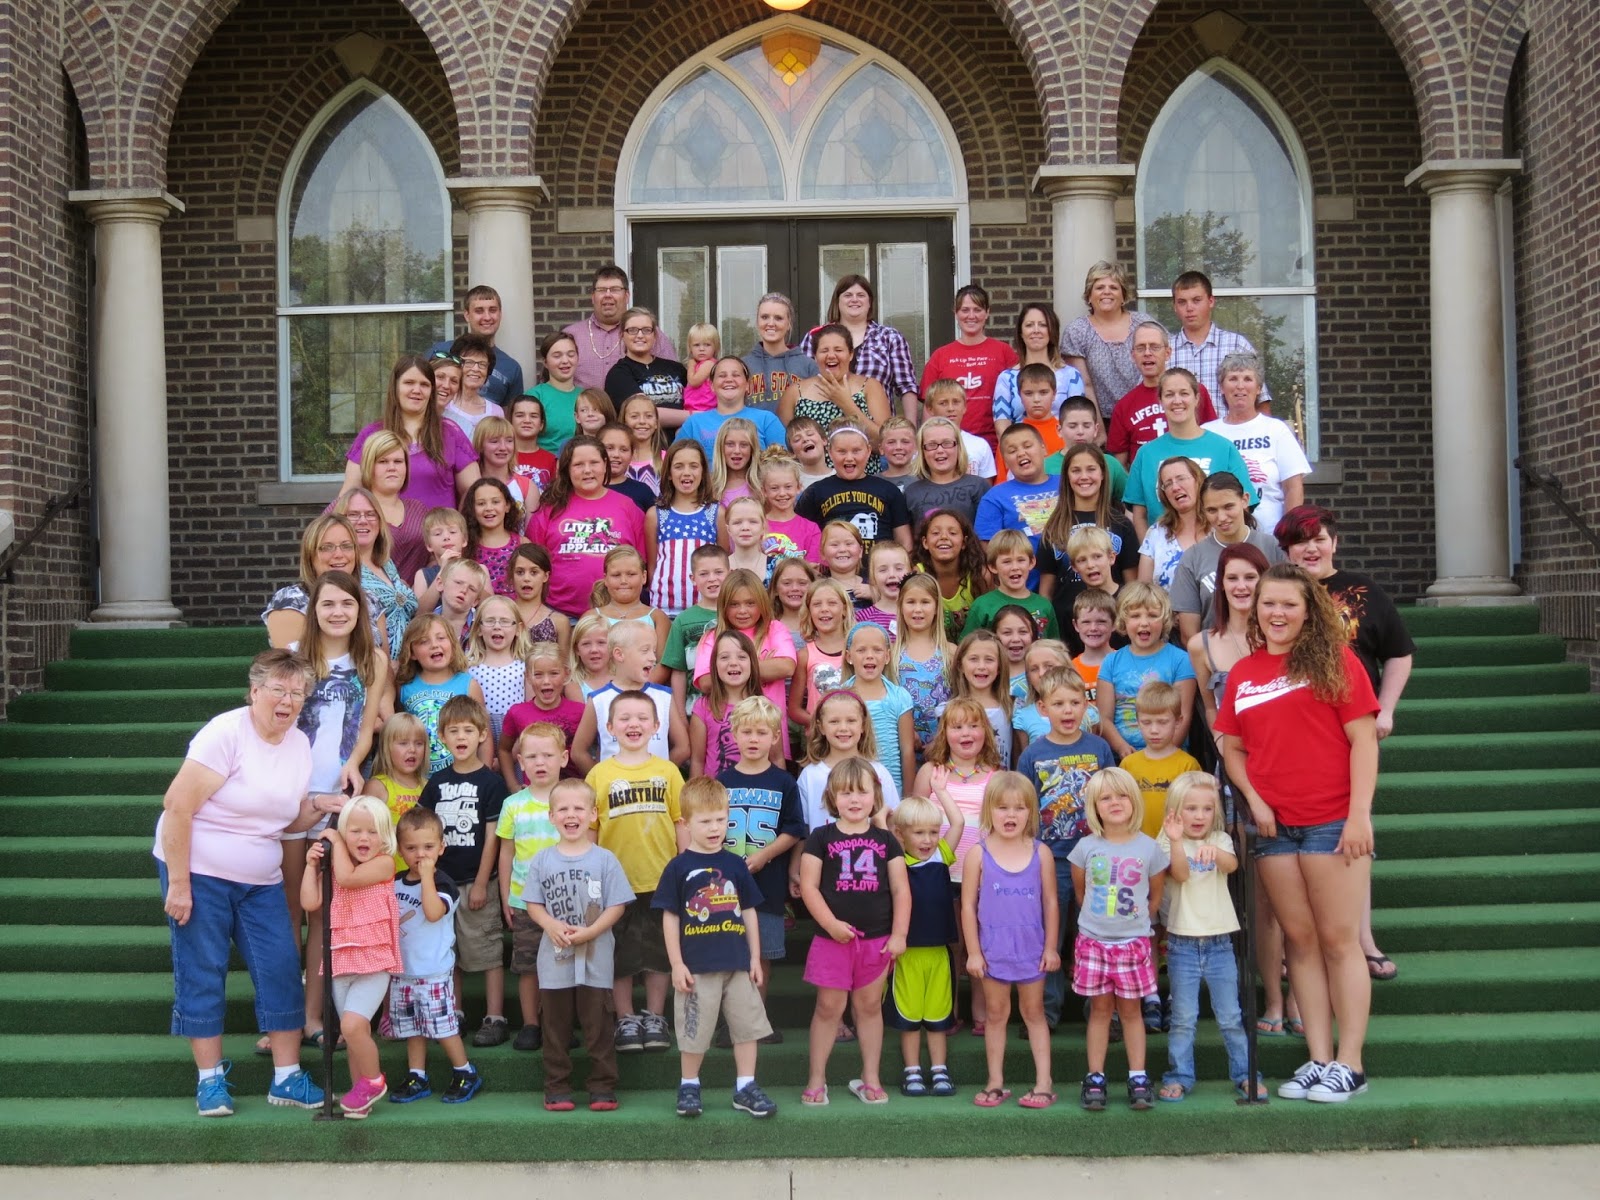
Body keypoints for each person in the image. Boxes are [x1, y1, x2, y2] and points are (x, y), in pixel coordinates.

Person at [1216, 563, 1380, 1103]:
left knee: (1338, 940)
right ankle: (1318, 1058)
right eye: (1268, 604)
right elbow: (1231, 747)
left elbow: (1364, 742)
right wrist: (1256, 801)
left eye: (1288, 604)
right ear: (1254, 610)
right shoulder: (1244, 674)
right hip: (1273, 826)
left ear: (1309, 610)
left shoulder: (1338, 662)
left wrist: (1360, 815)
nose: (1277, 613)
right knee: (1300, 944)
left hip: (1332, 821)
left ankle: (1350, 1063)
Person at [155, 650, 327, 1117]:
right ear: (254, 692)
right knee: (203, 968)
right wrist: (178, 883)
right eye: (278, 689)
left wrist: (322, 805)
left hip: (260, 878)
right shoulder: (225, 733)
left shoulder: (298, 744)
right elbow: (177, 806)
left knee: (279, 966)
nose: (288, 700)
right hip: (199, 870)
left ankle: (288, 1078)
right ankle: (210, 1082)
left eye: (297, 693)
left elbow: (286, 816)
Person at [1276, 504, 1415, 982]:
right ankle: (1300, 941)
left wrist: (1387, 708)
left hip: (1351, 731)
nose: (1311, 548)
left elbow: (1398, 653)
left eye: (1319, 538)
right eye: (1300, 541)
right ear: (1287, 550)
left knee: (1354, 831)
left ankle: (1362, 939)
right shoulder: (1277, 596)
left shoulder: (1363, 592)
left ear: (1334, 542)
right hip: (1296, 734)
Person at [654, 777, 779, 1119]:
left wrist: (754, 956)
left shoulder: (736, 864)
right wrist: (676, 964)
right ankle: (690, 1084)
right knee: (695, 1029)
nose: (714, 828)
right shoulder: (678, 867)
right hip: (696, 966)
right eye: (705, 821)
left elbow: (749, 910)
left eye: (720, 820)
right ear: (686, 823)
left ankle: (745, 1086)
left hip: (737, 963)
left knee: (747, 1026)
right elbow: (670, 918)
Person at [798, 757, 911, 1107]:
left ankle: (870, 1077)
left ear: (875, 795)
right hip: (831, 941)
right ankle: (817, 1079)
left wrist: (899, 935)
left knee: (868, 1008)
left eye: (862, 791)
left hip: (876, 940)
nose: (854, 799)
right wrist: (831, 925)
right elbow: (809, 886)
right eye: (846, 792)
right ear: (832, 796)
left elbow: (900, 890)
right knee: (829, 1008)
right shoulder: (820, 838)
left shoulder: (887, 841)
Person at [584, 689, 688, 1055]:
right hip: (616, 884)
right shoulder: (599, 774)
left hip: (661, 878)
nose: (634, 724)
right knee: (621, 955)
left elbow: (681, 822)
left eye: (642, 718)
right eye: (624, 718)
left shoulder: (668, 772)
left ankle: (655, 1015)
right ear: (609, 727)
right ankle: (626, 1017)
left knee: (661, 951)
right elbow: (590, 830)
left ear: (657, 727)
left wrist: (685, 866)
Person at [521, 778, 634, 1112]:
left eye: (578, 808)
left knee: (597, 1025)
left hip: (596, 959)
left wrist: (591, 931)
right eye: (563, 809)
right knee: (555, 1027)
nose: (571, 815)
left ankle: (602, 1086)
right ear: (552, 816)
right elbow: (533, 903)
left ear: (593, 814)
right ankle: (556, 1087)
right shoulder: (542, 860)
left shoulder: (605, 860)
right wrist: (550, 924)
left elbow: (617, 905)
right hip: (554, 961)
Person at [1014, 667, 1116, 1026]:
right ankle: (1047, 1010)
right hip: (1052, 858)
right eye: (1059, 703)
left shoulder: (1099, 748)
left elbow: (1112, 797)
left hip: (1096, 856)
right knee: (1050, 935)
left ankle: (1101, 1010)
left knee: (1095, 933)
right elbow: (1025, 806)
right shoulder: (1033, 755)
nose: (1068, 710)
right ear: (1043, 709)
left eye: (1076, 702)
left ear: (1087, 706)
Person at [1157, 772, 1262, 1102]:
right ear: (1175, 812)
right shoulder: (1166, 840)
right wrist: (1176, 841)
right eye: (1190, 808)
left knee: (1231, 1016)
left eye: (1205, 809)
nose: (1199, 816)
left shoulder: (1220, 839)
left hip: (1219, 943)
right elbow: (1180, 873)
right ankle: (1179, 1075)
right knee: (1183, 1018)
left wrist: (1214, 853)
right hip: (1182, 943)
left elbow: (1232, 866)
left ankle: (1246, 1073)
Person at [1069, 767, 1169, 1111]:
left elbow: (1154, 896)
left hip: (1133, 943)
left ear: (1134, 801)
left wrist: (1135, 923)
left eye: (1122, 795)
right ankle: (1095, 1076)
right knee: (1099, 1012)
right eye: (1105, 798)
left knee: (1131, 1012)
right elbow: (1081, 892)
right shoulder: (1085, 847)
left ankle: (1138, 1075)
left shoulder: (1150, 848)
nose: (1114, 803)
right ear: (1094, 807)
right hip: (1094, 942)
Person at [300, 798, 405, 1117]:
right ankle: (360, 1093)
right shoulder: (336, 867)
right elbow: (309, 901)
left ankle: (373, 1081)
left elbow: (348, 878)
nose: (363, 838)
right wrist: (311, 866)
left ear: (385, 836)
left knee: (354, 1023)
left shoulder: (385, 863)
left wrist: (333, 841)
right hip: (341, 960)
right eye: (355, 831)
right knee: (352, 1031)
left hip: (374, 961)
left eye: (372, 832)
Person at [962, 771, 1059, 1109]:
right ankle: (995, 1081)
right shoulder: (978, 853)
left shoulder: (1040, 853)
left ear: (1031, 812)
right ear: (989, 811)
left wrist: (1050, 947)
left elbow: (1050, 902)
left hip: (1031, 949)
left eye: (1019, 808)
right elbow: (967, 905)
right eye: (1002, 808)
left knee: (1034, 1013)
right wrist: (973, 952)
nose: (1011, 815)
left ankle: (1044, 1082)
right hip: (993, 951)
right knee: (996, 1014)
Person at [417, 694, 510, 1048]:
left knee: (486, 950)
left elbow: (492, 839)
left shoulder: (491, 783)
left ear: (483, 735)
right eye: (453, 730)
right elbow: (425, 832)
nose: (461, 737)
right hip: (444, 883)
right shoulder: (436, 782)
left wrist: (484, 882)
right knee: (448, 951)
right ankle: (453, 1013)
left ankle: (495, 1015)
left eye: (468, 730)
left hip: (476, 882)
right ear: (442, 736)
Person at [387, 806, 485, 1102]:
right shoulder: (394, 882)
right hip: (403, 971)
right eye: (411, 848)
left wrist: (428, 876)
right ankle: (417, 1075)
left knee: (443, 1028)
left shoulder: (444, 884)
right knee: (412, 1028)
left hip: (433, 972)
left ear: (441, 847)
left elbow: (432, 913)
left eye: (428, 847)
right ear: (400, 849)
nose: (420, 855)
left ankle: (465, 1071)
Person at [717, 696, 808, 1010]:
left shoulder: (784, 783)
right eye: (746, 732)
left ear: (775, 737)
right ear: (734, 735)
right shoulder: (722, 782)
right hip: (725, 887)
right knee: (729, 956)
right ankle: (731, 1022)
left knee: (762, 955)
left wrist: (765, 855)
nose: (753, 739)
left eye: (761, 732)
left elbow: (795, 828)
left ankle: (755, 1020)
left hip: (767, 886)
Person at [884, 790, 965, 1098]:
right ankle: (912, 1071)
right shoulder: (896, 862)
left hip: (939, 954)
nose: (928, 839)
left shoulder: (941, 856)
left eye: (933, 832)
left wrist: (942, 792)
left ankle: (939, 1070)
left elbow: (956, 822)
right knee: (909, 1017)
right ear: (900, 834)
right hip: (907, 955)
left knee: (937, 1017)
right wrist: (883, 816)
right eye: (919, 832)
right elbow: (883, 832)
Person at [496, 722, 567, 1052]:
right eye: (532, 756)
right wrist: (505, 896)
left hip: (567, 901)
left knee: (565, 965)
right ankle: (530, 1024)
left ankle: (560, 1024)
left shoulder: (572, 800)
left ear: (564, 758)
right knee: (528, 966)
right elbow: (506, 852)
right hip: (525, 902)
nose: (541, 763)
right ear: (520, 762)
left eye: (548, 755)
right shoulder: (514, 805)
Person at [1125, 368, 1257, 539]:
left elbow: (1242, 506)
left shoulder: (1223, 448)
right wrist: (1150, 553)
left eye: (1184, 393)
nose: (1177, 400)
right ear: (1160, 401)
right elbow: (1139, 514)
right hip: (1165, 554)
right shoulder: (1146, 454)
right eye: (1169, 394)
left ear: (1196, 398)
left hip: (1214, 552)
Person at [525, 435, 647, 619]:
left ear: (605, 464)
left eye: (594, 463)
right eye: (578, 464)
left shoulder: (627, 506)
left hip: (616, 614)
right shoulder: (550, 509)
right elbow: (532, 562)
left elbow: (640, 562)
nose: (587, 470)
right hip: (559, 614)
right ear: (567, 469)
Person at [345, 355, 479, 511]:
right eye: (409, 383)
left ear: (431, 391)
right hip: (387, 533)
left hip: (438, 533)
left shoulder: (450, 433)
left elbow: (475, 492)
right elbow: (349, 494)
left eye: (424, 384)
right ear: (395, 387)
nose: (417, 390)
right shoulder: (372, 434)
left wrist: (460, 527)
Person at [1170, 470, 1287, 643]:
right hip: (1216, 661)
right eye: (1212, 510)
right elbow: (1189, 634)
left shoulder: (1273, 548)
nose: (1221, 517)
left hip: (1268, 654)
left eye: (1228, 506)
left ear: (1245, 500)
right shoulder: (1193, 558)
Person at [1039, 442, 1138, 635]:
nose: (1084, 476)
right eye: (1076, 470)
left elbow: (1132, 587)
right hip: (1066, 624)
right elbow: (1046, 591)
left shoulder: (1121, 523)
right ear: (1067, 477)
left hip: (1113, 626)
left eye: (1091, 469)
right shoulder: (1054, 526)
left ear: (1102, 474)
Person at [1204, 351, 1309, 533]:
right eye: (1233, 379)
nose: (1240, 386)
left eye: (1247, 379)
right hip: (1217, 537)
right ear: (1221, 387)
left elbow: (1293, 487)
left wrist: (1288, 535)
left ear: (1259, 387)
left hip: (1270, 536)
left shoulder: (1276, 430)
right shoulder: (1207, 432)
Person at [1099, 583, 1198, 759]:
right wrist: (1122, 748)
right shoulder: (1111, 662)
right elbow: (1104, 718)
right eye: (1135, 616)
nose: (1144, 623)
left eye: (1152, 615)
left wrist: (1162, 755)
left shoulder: (1180, 660)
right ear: (1123, 620)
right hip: (1124, 757)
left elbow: (1183, 716)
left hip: (1170, 755)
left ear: (1164, 620)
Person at [800, 275, 918, 420]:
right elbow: (801, 385)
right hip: (823, 427)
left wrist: (910, 429)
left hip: (877, 430)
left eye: (861, 295)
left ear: (870, 302)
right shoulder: (815, 337)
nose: (854, 299)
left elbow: (906, 386)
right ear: (837, 302)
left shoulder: (890, 338)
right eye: (848, 295)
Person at [1107, 323, 1218, 466]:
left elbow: (1212, 440)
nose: (1147, 353)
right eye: (1141, 348)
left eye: (1154, 347)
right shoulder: (1124, 406)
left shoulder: (1193, 392)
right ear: (1133, 355)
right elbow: (1119, 466)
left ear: (1167, 353)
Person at [920, 284, 1019, 445]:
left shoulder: (1004, 352)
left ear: (987, 312)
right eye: (965, 310)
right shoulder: (940, 356)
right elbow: (928, 408)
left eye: (978, 309)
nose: (971, 316)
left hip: (995, 444)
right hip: (950, 445)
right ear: (956, 313)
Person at [1059, 261, 1160, 417]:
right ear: (1089, 295)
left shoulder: (1144, 324)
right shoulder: (1077, 331)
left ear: (1123, 295)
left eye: (1113, 287)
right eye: (1099, 288)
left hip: (1147, 414)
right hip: (1103, 419)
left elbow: (1163, 366)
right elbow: (1084, 385)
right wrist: (1097, 427)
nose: (1107, 292)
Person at [796, 425, 913, 556]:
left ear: (868, 451)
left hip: (879, 571)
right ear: (830, 452)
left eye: (856, 451)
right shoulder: (815, 492)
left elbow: (904, 541)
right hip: (832, 572)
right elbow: (799, 537)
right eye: (842, 451)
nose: (849, 457)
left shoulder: (889, 490)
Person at [781, 324, 892, 457]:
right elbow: (785, 447)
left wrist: (847, 405)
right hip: (811, 476)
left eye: (838, 350)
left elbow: (885, 444)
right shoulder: (795, 392)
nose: (831, 355)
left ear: (851, 354)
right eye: (824, 350)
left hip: (862, 475)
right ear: (815, 357)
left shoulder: (870, 386)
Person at [334, 486, 417, 659]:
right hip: (373, 667)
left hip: (408, 669)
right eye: (353, 514)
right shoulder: (341, 568)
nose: (363, 520)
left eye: (370, 514)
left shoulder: (387, 564)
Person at [1169, 270, 1272, 409]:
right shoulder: (1164, 351)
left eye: (1196, 300)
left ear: (1211, 301)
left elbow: (1260, 401)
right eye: (1182, 302)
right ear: (1174, 306)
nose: (1189, 308)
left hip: (1229, 430)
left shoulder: (1237, 345)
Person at [974, 424, 1059, 589]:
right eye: (1012, 451)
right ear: (1005, 461)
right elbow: (988, 549)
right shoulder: (994, 497)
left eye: (1028, 446)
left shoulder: (1067, 483)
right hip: (1024, 590)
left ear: (1044, 449)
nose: (1021, 453)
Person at [565, 265, 677, 390]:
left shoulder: (649, 334)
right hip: (584, 409)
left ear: (627, 296)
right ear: (593, 297)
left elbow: (673, 380)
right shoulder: (571, 336)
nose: (608, 295)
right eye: (601, 290)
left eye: (615, 289)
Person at [261, 514, 361, 650]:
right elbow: (291, 666)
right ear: (310, 554)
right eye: (326, 547)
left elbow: (383, 665)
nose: (338, 554)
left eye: (347, 546)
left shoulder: (369, 599)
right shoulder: (290, 601)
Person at [992, 302, 1087, 437]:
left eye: (1043, 325)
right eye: (1029, 325)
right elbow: (1002, 426)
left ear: (1052, 331)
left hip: (1062, 451)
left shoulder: (1071, 375)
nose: (1036, 330)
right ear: (1021, 332)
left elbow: (1078, 421)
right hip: (1020, 450)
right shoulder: (1006, 378)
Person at [429, 284, 524, 406]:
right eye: (479, 311)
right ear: (467, 315)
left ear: (500, 314)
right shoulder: (441, 352)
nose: (487, 317)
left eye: (493, 310)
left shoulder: (512, 368)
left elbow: (508, 418)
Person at [357, 430, 431, 582]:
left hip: (416, 602)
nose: (392, 467)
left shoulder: (419, 510)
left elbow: (433, 556)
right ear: (369, 466)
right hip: (366, 600)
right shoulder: (349, 507)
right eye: (383, 461)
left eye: (398, 461)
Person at [681, 356, 788, 455]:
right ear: (712, 386)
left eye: (736, 375)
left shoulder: (767, 420)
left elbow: (785, 463)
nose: (729, 380)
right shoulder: (694, 423)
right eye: (722, 376)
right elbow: (675, 462)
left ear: (747, 385)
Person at [963, 528, 1057, 640]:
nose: (1015, 567)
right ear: (993, 566)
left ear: (1031, 562)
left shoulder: (1044, 605)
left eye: (1021, 560)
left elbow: (1055, 648)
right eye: (1007, 562)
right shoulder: (982, 606)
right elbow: (968, 647)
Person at [604, 307, 688, 428]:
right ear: (622, 335)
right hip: (645, 444)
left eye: (646, 330)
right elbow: (643, 413)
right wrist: (696, 417)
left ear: (654, 335)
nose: (640, 335)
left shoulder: (676, 368)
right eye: (632, 330)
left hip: (683, 442)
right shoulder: (618, 374)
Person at [904, 417, 990, 526]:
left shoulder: (979, 486)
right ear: (922, 452)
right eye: (932, 445)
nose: (940, 450)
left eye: (947, 443)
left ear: (958, 447)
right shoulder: (912, 492)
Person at [1137, 456, 1207, 590]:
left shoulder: (1219, 526)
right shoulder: (1156, 533)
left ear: (1198, 480)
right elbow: (1143, 591)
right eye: (1168, 484)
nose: (1175, 487)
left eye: (1181, 478)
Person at [743, 292, 818, 413]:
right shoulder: (743, 365)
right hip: (753, 431)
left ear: (789, 324)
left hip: (795, 431)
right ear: (757, 322)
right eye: (764, 317)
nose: (771, 323)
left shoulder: (808, 366)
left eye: (778, 318)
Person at [528, 330, 582, 454]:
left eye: (571, 354)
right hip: (545, 468)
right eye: (557, 356)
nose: (565, 361)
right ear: (545, 362)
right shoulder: (534, 397)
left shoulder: (586, 397)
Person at [444, 334, 505, 438]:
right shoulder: (443, 405)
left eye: (482, 364)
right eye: (469, 362)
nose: (476, 369)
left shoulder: (496, 411)